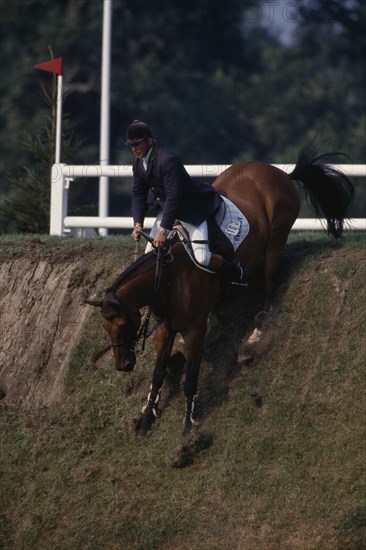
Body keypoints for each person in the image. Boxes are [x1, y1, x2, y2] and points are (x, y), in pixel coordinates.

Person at [126, 120, 246, 285]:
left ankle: (237, 273)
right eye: (131, 145)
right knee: (149, 258)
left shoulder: (168, 160)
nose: (134, 149)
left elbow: (174, 197)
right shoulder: (138, 162)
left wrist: (163, 230)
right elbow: (138, 193)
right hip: (168, 208)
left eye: (137, 144)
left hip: (190, 209)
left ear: (149, 141)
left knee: (202, 257)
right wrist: (138, 223)